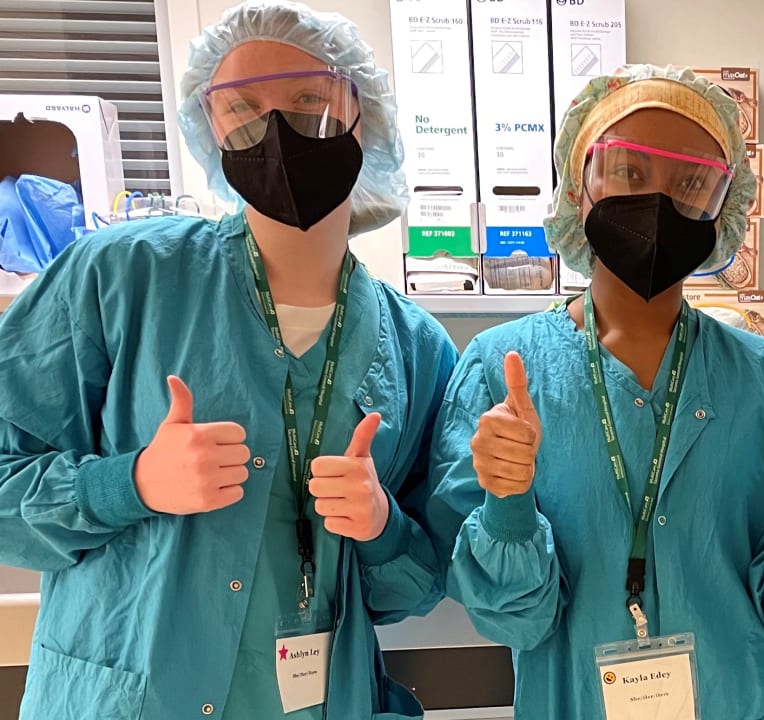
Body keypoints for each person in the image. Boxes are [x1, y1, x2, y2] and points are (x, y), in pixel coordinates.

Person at [0, 2, 456, 718]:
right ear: (209, 131)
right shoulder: (118, 277)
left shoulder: (415, 348)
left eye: (308, 101)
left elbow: (415, 585)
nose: (276, 132)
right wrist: (132, 482)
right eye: (242, 109)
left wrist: (382, 526)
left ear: (363, 114)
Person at [428, 65, 764, 719]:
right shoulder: (501, 374)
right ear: (580, 188)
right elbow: (511, 620)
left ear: (725, 208)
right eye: (628, 171)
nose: (658, 203)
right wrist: (508, 509)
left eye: (692, 184)